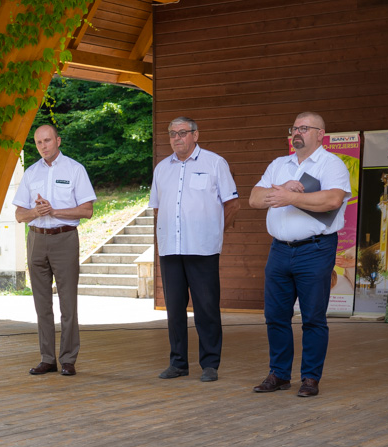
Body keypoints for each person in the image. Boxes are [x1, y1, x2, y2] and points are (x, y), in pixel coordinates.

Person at [249, 112, 350, 397]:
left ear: (321, 134)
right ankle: (279, 374)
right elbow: (255, 198)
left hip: (315, 249)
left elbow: (332, 199)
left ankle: (310, 378)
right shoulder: (279, 164)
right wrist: (281, 188)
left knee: (313, 318)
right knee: (275, 316)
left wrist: (290, 196)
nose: (298, 132)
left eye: (305, 128)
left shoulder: (333, 164)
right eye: (294, 127)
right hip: (279, 250)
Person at [149, 117, 240, 382]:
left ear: (195, 135)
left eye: (182, 133)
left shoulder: (215, 163)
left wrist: (213, 231)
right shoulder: (162, 168)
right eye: (172, 134)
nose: (177, 138)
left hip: (202, 248)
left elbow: (232, 204)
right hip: (171, 249)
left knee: (206, 307)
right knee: (174, 308)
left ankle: (210, 364)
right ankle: (178, 363)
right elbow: (158, 206)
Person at [13, 124, 95, 377]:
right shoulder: (31, 173)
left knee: (68, 303)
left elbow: (87, 210)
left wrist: (54, 211)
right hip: (36, 240)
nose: (43, 146)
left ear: (58, 140)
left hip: (64, 239)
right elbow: (18, 215)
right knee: (41, 304)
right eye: (38, 142)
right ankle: (47, 359)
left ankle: (68, 359)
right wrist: (35, 212)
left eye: (47, 140)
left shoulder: (75, 169)